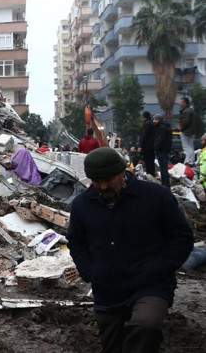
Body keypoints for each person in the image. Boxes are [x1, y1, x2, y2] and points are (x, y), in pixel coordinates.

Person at [67, 147, 193, 353]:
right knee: (113, 345)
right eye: (97, 181)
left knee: (146, 324)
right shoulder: (83, 205)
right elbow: (76, 241)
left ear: (122, 172)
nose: (104, 185)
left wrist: (159, 267)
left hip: (150, 284)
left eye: (109, 179)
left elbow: (181, 237)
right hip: (108, 290)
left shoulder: (155, 196)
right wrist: (90, 270)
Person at [154, 114, 172, 188]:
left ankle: (165, 185)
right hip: (166, 151)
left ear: (159, 120)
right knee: (164, 168)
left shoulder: (162, 128)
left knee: (163, 169)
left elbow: (160, 140)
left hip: (162, 151)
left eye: (155, 119)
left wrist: (156, 147)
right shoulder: (166, 127)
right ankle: (166, 184)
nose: (154, 121)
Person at [138, 111, 156, 177]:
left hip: (147, 147)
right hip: (152, 146)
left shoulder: (147, 124)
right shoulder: (152, 123)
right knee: (151, 162)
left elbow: (144, 135)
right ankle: (152, 175)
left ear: (144, 117)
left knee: (148, 162)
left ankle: (150, 175)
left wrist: (140, 146)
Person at [179, 97, 197, 165]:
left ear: (185, 103)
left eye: (181, 102)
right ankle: (191, 161)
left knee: (186, 148)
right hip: (192, 132)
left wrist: (181, 128)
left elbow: (185, 122)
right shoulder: (191, 111)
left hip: (186, 132)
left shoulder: (186, 111)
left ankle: (188, 162)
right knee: (191, 147)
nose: (180, 103)